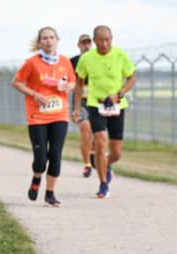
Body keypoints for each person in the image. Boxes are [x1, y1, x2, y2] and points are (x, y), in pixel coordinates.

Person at [12, 27, 75, 207]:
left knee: (55, 154)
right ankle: (36, 178)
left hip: (60, 114)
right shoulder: (32, 63)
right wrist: (33, 94)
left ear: (57, 40)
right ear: (40, 42)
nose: (48, 41)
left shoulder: (65, 61)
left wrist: (68, 86)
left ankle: (50, 193)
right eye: (45, 38)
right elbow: (16, 82)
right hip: (37, 116)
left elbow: (72, 81)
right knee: (41, 159)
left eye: (52, 37)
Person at [74, 25, 136, 199]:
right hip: (96, 104)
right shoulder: (86, 59)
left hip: (117, 105)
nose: (104, 43)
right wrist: (77, 108)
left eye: (108, 39)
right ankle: (103, 184)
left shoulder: (120, 55)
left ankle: (106, 164)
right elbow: (79, 83)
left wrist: (120, 93)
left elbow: (132, 78)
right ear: (94, 41)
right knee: (100, 140)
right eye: (101, 40)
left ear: (112, 39)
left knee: (116, 153)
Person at [70, 33, 96, 177]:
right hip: (80, 101)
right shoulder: (73, 61)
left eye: (88, 43)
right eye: (83, 43)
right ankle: (86, 164)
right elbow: (66, 78)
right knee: (85, 131)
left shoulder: (97, 60)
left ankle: (93, 154)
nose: (86, 46)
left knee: (97, 133)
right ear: (79, 45)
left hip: (96, 100)